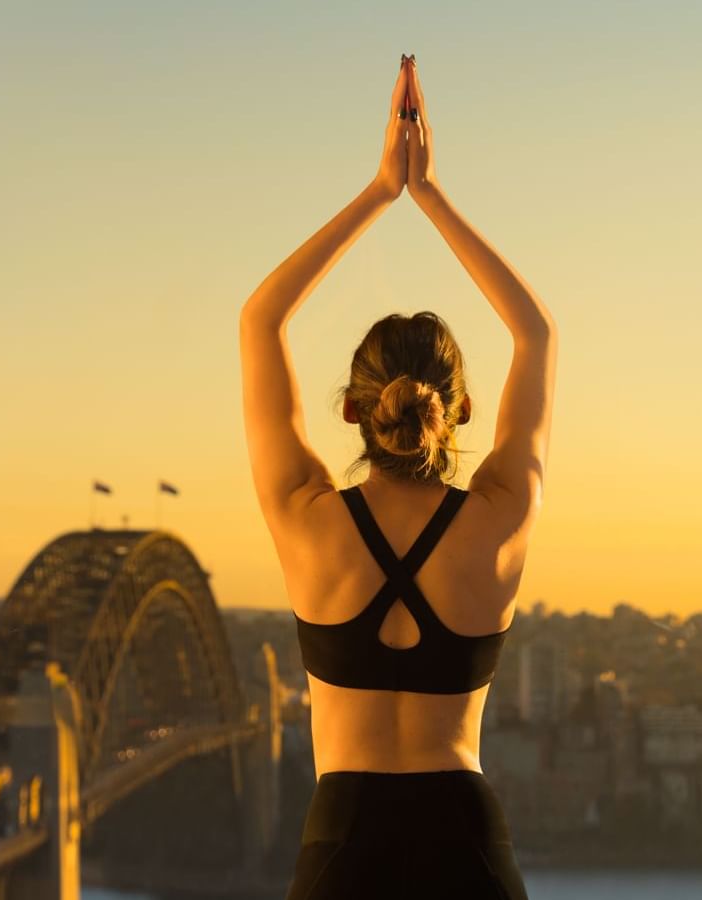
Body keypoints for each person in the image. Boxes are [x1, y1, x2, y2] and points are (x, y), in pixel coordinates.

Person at [239, 52, 556, 900]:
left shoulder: (307, 520)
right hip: (469, 847)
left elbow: (260, 318)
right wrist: (431, 195)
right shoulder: (498, 519)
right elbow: (535, 335)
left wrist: (381, 190)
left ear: (353, 410)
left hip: (343, 845)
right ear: (454, 412)